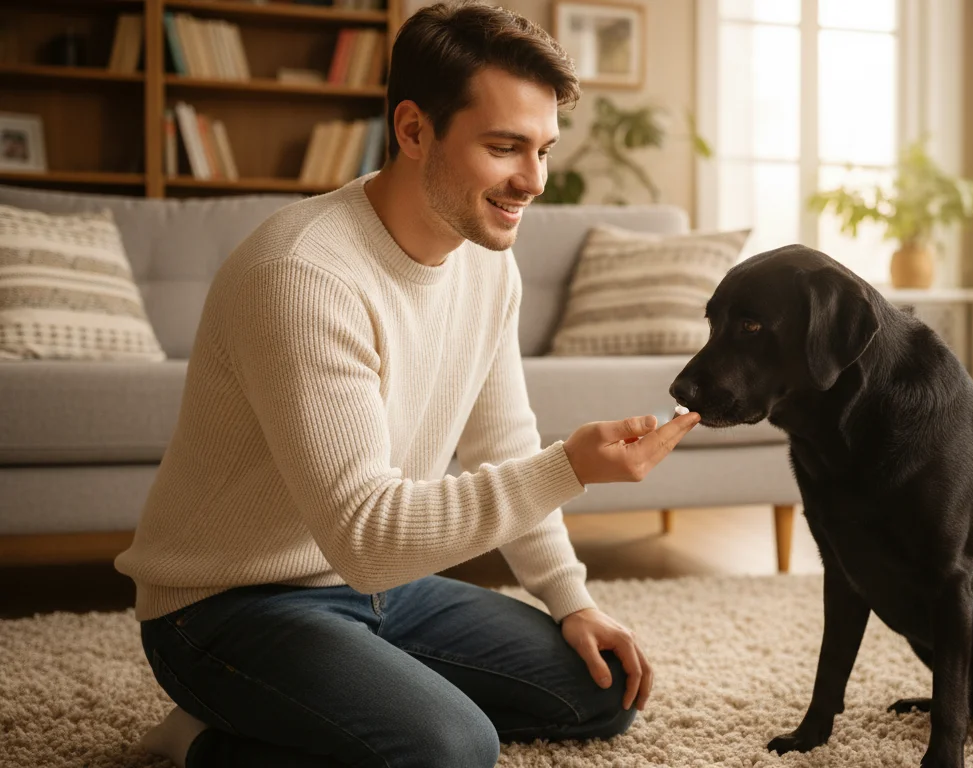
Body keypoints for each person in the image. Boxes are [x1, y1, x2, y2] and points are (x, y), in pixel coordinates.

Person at [113, 2, 700, 765]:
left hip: (380, 587)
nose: (534, 180)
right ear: (415, 130)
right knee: (451, 750)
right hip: (226, 607)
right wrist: (571, 469)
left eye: (544, 149)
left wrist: (572, 600)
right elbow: (368, 538)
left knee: (601, 689)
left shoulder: (488, 256)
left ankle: (331, 705)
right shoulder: (304, 276)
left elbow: (504, 440)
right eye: (504, 147)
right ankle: (199, 742)